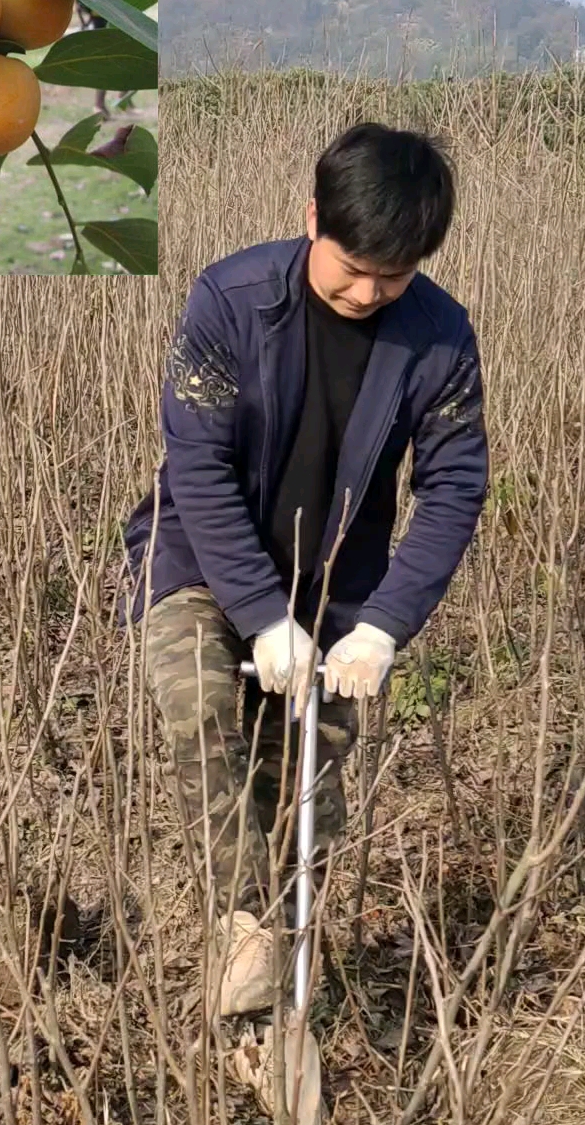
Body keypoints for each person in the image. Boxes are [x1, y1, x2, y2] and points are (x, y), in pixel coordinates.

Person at [121, 121, 488, 1021]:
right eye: (351, 267)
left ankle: (279, 983)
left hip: (339, 590)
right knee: (201, 710)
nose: (367, 293)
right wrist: (257, 612)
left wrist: (383, 625)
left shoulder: (441, 340)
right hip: (199, 560)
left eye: (392, 279)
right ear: (312, 216)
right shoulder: (230, 300)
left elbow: (453, 488)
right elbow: (197, 469)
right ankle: (245, 928)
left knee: (304, 792)